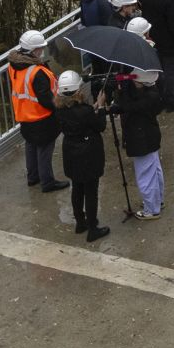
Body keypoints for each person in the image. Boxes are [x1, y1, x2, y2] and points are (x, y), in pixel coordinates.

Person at [54, 70, 111, 242]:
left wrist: (91, 110)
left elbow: (79, 118)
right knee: (91, 191)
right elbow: (100, 126)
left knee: (77, 188)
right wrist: (100, 107)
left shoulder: (60, 110)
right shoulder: (85, 111)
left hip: (71, 153)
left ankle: (81, 222)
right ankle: (93, 228)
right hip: (88, 154)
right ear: (77, 90)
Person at [8, 31, 67, 193]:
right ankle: (47, 182)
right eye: (39, 49)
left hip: (24, 114)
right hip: (41, 117)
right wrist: (60, 107)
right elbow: (47, 100)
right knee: (44, 149)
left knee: (31, 144)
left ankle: (33, 177)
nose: (42, 51)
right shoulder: (37, 72)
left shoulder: (14, 65)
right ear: (33, 51)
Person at [112, 62, 166, 220]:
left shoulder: (147, 99)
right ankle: (158, 200)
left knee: (145, 175)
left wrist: (119, 93)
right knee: (154, 170)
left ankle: (151, 209)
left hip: (141, 140)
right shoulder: (152, 92)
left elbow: (129, 107)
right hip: (149, 137)